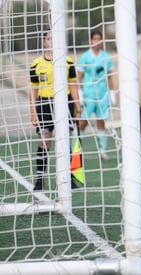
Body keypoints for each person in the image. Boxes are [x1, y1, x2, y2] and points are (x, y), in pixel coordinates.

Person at [30, 29, 82, 191]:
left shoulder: (67, 61)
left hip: (65, 103)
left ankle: (69, 178)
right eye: (49, 39)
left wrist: (78, 108)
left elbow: (73, 85)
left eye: (54, 38)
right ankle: (39, 180)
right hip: (44, 104)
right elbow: (34, 90)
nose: (51, 41)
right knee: (45, 142)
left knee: (66, 141)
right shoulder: (36, 64)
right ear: (44, 41)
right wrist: (33, 112)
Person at [76, 30, 115, 160]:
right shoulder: (85, 57)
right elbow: (79, 76)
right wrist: (79, 93)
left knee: (101, 122)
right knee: (82, 123)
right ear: (91, 40)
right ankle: (76, 150)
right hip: (88, 95)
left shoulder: (106, 57)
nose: (97, 41)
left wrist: (112, 92)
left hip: (102, 95)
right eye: (95, 39)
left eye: (100, 39)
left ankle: (102, 151)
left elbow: (109, 76)